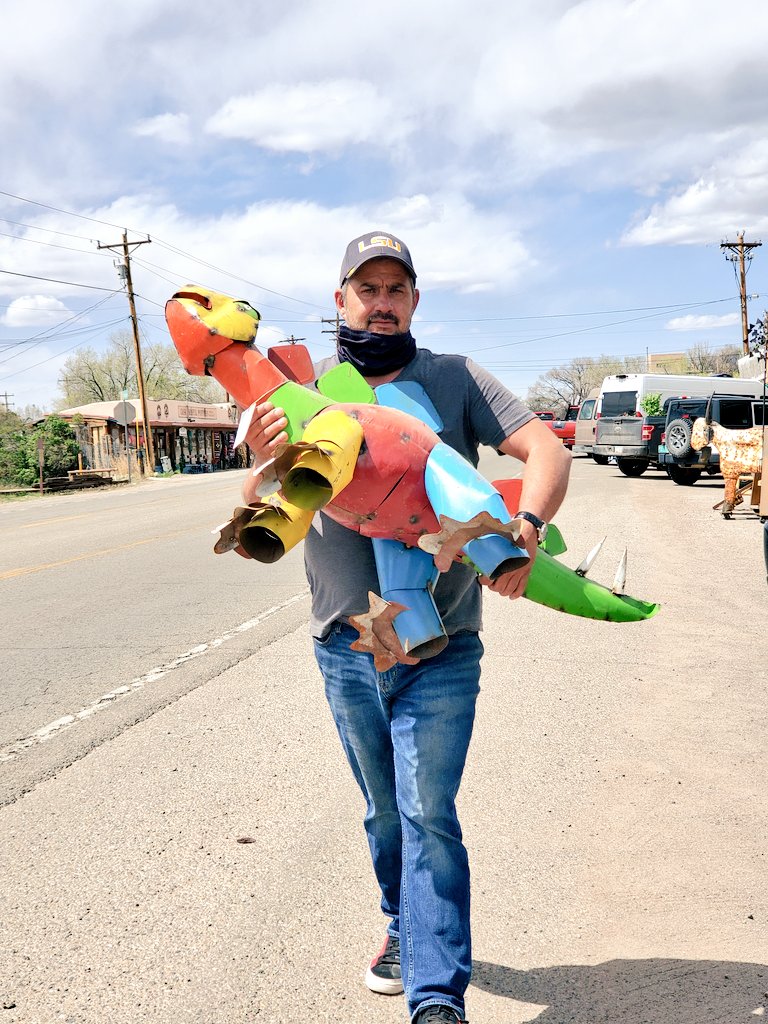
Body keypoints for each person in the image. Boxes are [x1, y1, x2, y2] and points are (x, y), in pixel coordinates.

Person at [245, 232, 571, 1024]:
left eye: (398, 288)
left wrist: (526, 524)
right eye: (368, 288)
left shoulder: (455, 380)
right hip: (345, 644)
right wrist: (258, 457)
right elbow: (262, 501)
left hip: (444, 642)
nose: (383, 301)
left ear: (415, 301)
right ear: (341, 300)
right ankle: (403, 924)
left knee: (428, 809)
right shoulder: (306, 391)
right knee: (384, 809)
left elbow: (543, 449)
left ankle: (435, 994)